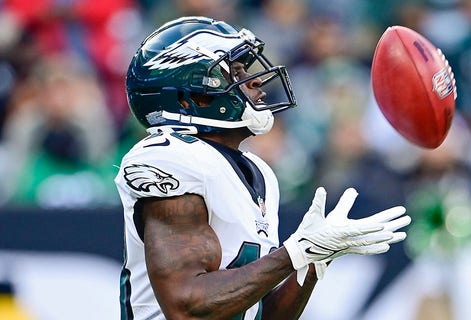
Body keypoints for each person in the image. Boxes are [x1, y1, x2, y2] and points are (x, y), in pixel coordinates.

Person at [113, 16, 410, 320]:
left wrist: (311, 262)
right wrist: (293, 253)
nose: (253, 80)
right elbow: (187, 307)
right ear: (191, 98)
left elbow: (261, 314)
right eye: (233, 72)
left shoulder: (259, 172)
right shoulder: (167, 158)